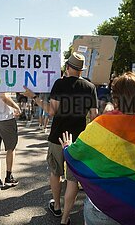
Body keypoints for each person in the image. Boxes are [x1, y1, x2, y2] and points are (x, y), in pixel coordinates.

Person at [59, 72, 135, 225]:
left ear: (115, 99)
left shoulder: (101, 124)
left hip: (100, 210)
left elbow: (78, 153)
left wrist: (67, 147)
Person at [23, 52, 98, 224]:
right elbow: (94, 116)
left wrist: (34, 96)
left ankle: (56, 206)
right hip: (78, 140)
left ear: (69, 67)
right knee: (72, 179)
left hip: (58, 136)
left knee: (55, 173)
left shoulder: (59, 83)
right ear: (81, 70)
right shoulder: (90, 87)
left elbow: (51, 111)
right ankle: (65, 219)